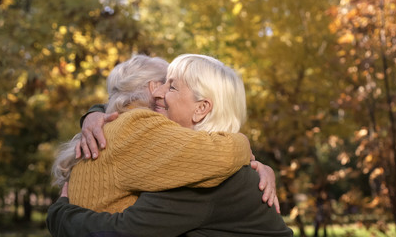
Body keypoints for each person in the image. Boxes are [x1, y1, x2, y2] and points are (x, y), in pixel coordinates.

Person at [47, 54, 293, 236]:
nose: (158, 94)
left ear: (201, 108)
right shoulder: (184, 161)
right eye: (158, 84)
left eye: (171, 86)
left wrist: (60, 215)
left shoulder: (201, 173)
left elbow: (124, 232)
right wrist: (95, 112)